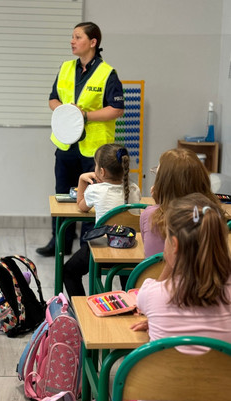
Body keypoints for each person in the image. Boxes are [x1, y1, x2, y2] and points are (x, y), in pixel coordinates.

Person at [36, 22, 124, 257]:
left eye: (77, 37)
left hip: (94, 151)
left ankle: (87, 246)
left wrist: (84, 115)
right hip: (66, 145)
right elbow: (53, 100)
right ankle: (60, 242)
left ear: (93, 42)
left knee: (91, 197)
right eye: (72, 37)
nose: (72, 41)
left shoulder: (107, 73)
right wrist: (65, 111)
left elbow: (116, 109)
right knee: (63, 193)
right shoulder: (65, 68)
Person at [131, 192, 231, 349]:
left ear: (175, 245)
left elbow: (146, 305)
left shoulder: (151, 294)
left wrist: (172, 262)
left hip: (165, 373)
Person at [63, 143, 141, 298]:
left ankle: (83, 311)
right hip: (132, 251)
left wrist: (81, 180)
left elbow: (81, 206)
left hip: (104, 251)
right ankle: (130, 305)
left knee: (68, 271)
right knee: (128, 275)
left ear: (102, 171)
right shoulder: (134, 189)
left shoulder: (95, 190)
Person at [140, 148, 223, 257]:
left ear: (163, 184)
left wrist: (159, 201)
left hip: (157, 274)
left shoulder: (150, 216)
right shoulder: (212, 216)